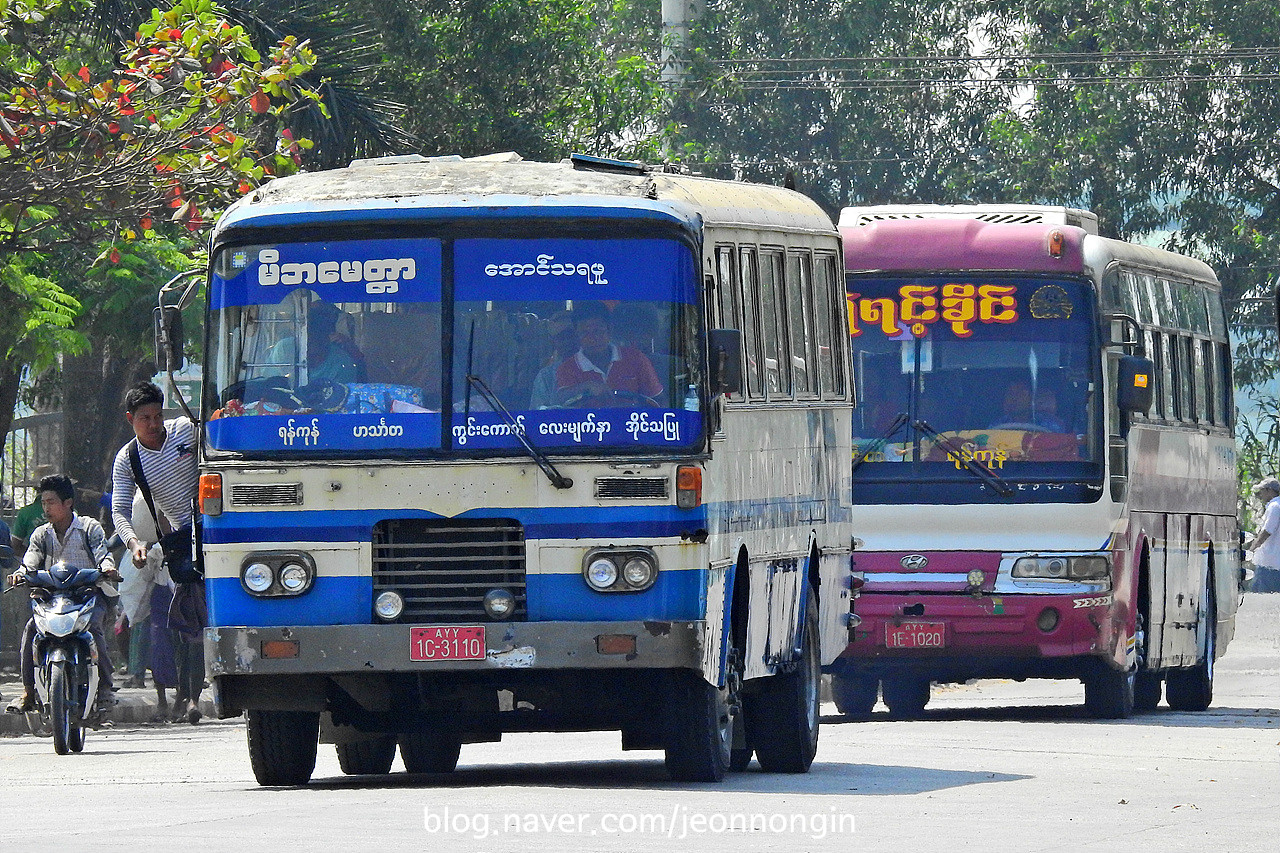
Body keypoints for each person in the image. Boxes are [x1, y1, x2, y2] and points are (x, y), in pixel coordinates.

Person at [110, 381, 204, 723]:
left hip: (216, 523)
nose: (154, 424)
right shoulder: (128, 459)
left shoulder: (184, 431)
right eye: (145, 418)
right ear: (130, 419)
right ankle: (190, 696)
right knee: (187, 619)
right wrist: (134, 543)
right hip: (181, 538)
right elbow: (119, 510)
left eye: (158, 415)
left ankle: (193, 695)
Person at [5, 474, 121, 715]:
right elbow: (30, 560)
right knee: (31, 629)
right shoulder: (41, 534)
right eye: (43, 502)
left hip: (87, 595)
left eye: (51, 502)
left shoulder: (89, 528)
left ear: (68, 502)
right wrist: (21, 573)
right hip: (52, 597)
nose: (46, 508)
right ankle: (28, 691)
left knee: (94, 628)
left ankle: (106, 689)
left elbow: (102, 554)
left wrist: (107, 568)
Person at [554, 304, 663, 407]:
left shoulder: (636, 358)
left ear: (609, 330)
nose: (592, 339)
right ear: (576, 335)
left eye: (598, 331)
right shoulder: (567, 368)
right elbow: (560, 401)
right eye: (584, 333)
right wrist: (586, 386)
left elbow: (658, 401)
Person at [268, 299, 362, 385]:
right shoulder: (283, 349)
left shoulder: (342, 364)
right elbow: (268, 384)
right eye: (303, 335)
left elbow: (342, 399)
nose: (307, 343)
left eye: (314, 336)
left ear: (327, 337)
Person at [990, 379, 1068, 432]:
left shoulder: (1051, 424)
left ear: (1031, 399)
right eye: (1010, 394)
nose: (1014, 398)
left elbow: (1066, 446)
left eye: (1020, 394)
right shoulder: (998, 424)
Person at [9, 464, 55, 552]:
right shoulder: (69, 510)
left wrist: (33, 555)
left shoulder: (25, 513)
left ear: (34, 488)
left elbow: (15, 545)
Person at [1247, 477, 1280, 593]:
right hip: (1276, 563)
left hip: (1269, 563)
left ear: (1269, 490)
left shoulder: (1274, 507)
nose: (1260, 494)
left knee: (1260, 597)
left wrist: (1252, 549)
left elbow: (1267, 532)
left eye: (1262, 491)